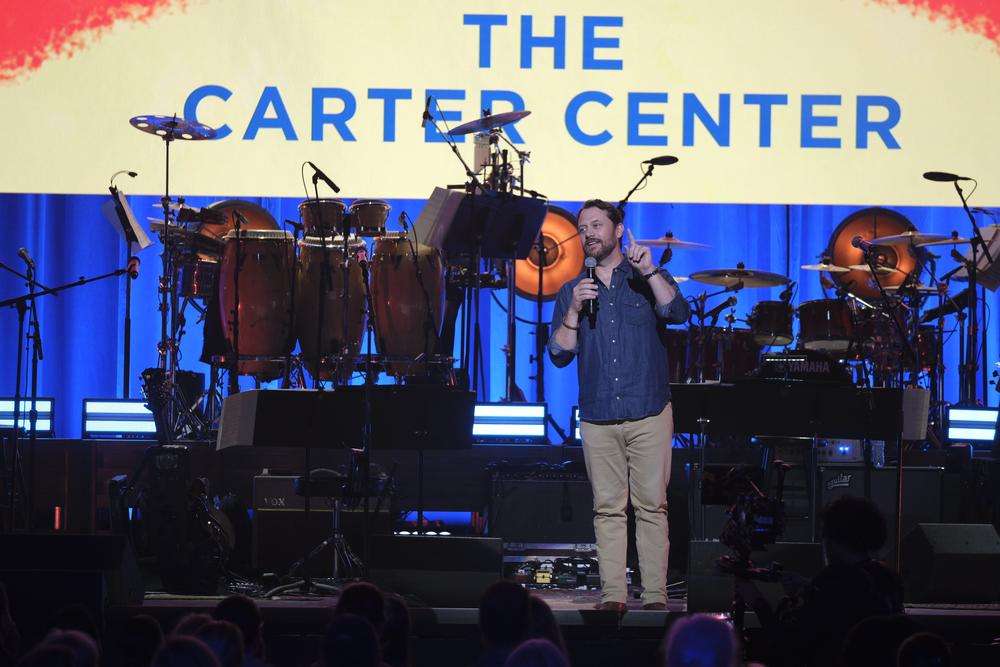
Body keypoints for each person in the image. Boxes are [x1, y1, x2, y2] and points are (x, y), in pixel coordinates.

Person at [548, 199, 689, 612]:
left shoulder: (645, 277)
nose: (588, 232)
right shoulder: (572, 290)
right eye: (582, 226)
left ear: (617, 229)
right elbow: (559, 353)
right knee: (608, 510)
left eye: (596, 224)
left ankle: (655, 597)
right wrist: (573, 311)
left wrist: (649, 269)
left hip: (648, 409)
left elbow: (676, 311)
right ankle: (613, 596)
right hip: (598, 415)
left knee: (651, 507)